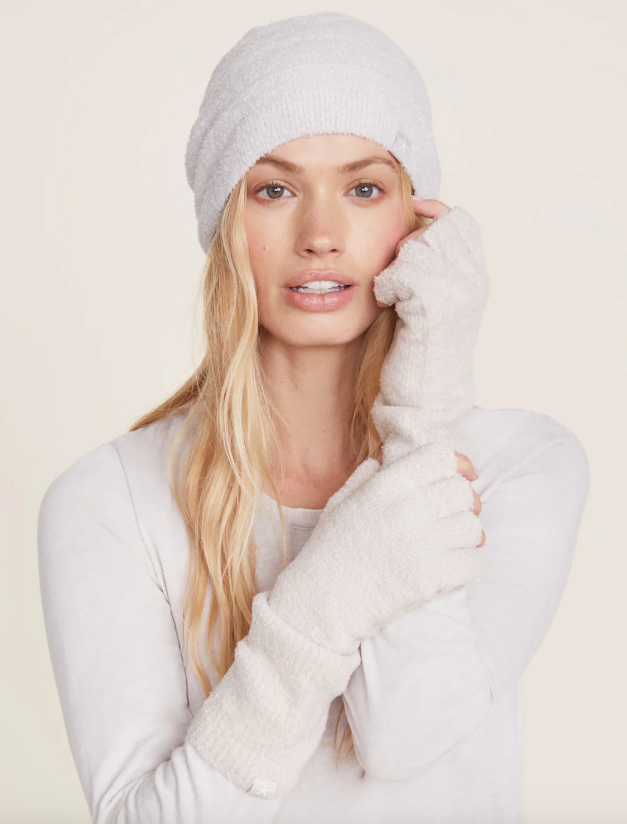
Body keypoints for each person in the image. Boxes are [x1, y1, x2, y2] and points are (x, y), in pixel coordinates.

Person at [37, 11, 590, 824]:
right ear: (225, 223)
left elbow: (405, 737)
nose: (321, 236)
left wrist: (424, 409)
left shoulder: (521, 466)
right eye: (274, 190)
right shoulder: (109, 501)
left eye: (363, 189)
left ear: (418, 219)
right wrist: (331, 588)